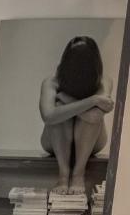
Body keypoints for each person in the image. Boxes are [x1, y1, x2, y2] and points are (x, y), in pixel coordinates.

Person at [40, 36, 113, 193]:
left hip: (92, 142)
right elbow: (48, 116)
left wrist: (66, 100)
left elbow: (94, 118)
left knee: (64, 110)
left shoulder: (103, 81)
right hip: (54, 143)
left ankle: (79, 174)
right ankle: (63, 175)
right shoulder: (51, 82)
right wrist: (93, 100)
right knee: (58, 114)